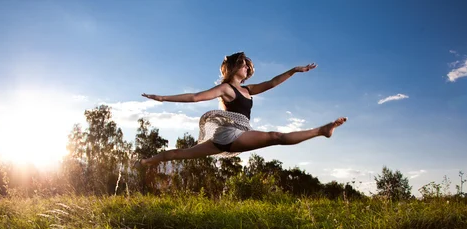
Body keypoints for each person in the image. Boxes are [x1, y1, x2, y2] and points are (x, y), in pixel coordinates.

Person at [138, 52, 346, 167]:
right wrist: (163, 97)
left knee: (179, 154)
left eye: (248, 65)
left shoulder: (248, 89)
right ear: (232, 68)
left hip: (231, 137)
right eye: (243, 64)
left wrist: (294, 70)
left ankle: (146, 161)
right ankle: (322, 131)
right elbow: (195, 97)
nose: (247, 67)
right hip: (230, 134)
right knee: (275, 136)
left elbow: (273, 82)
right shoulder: (226, 88)